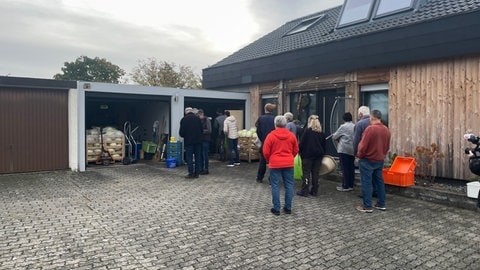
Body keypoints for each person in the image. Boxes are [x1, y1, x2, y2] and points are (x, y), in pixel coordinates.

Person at [262, 115, 299, 215]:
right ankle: (288, 207)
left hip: (275, 163)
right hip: (288, 163)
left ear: (275, 124)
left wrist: (269, 159)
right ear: (285, 124)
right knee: (289, 185)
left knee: (275, 185)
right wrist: (291, 156)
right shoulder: (291, 136)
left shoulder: (271, 136)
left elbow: (265, 151)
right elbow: (296, 149)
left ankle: (276, 208)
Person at [356, 110, 391, 213]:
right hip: (379, 159)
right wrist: (382, 155)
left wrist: (360, 155)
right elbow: (387, 146)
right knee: (379, 182)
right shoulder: (386, 129)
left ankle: (367, 206)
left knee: (367, 183)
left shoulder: (370, 129)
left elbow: (362, 146)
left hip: (367, 160)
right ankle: (381, 204)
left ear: (372, 118)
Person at [296, 114, 327, 197]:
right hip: (318, 156)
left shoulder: (307, 131)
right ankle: (314, 190)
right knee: (315, 173)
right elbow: (324, 145)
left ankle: (304, 190)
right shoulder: (321, 133)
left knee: (306, 173)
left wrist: (300, 152)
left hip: (307, 155)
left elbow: (302, 143)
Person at [332, 112, 356, 192]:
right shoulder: (354, 126)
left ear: (344, 119)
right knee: (351, 167)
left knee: (344, 168)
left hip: (344, 149)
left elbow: (335, 136)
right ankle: (351, 185)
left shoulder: (343, 126)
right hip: (352, 149)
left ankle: (345, 185)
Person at [179, 107, 203, 179]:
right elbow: (201, 130)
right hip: (198, 141)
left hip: (189, 142)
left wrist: (185, 135)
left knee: (189, 158)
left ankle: (191, 173)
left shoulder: (184, 119)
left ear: (185, 112)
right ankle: (197, 173)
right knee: (197, 157)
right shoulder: (197, 119)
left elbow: (181, 133)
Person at [255, 103, 276, 183]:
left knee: (263, 161)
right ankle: (271, 179)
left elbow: (258, 130)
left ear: (265, 109)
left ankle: (259, 178)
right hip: (274, 143)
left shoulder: (261, 118)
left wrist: (262, 139)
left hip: (264, 142)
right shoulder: (274, 118)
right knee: (273, 162)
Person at [197, 109, 212, 175]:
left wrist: (201, 131)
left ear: (202, 114)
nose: (198, 116)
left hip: (205, 140)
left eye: (199, 115)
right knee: (200, 155)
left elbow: (209, 130)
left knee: (205, 155)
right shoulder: (198, 120)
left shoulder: (207, 120)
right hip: (200, 140)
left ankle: (206, 169)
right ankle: (201, 169)